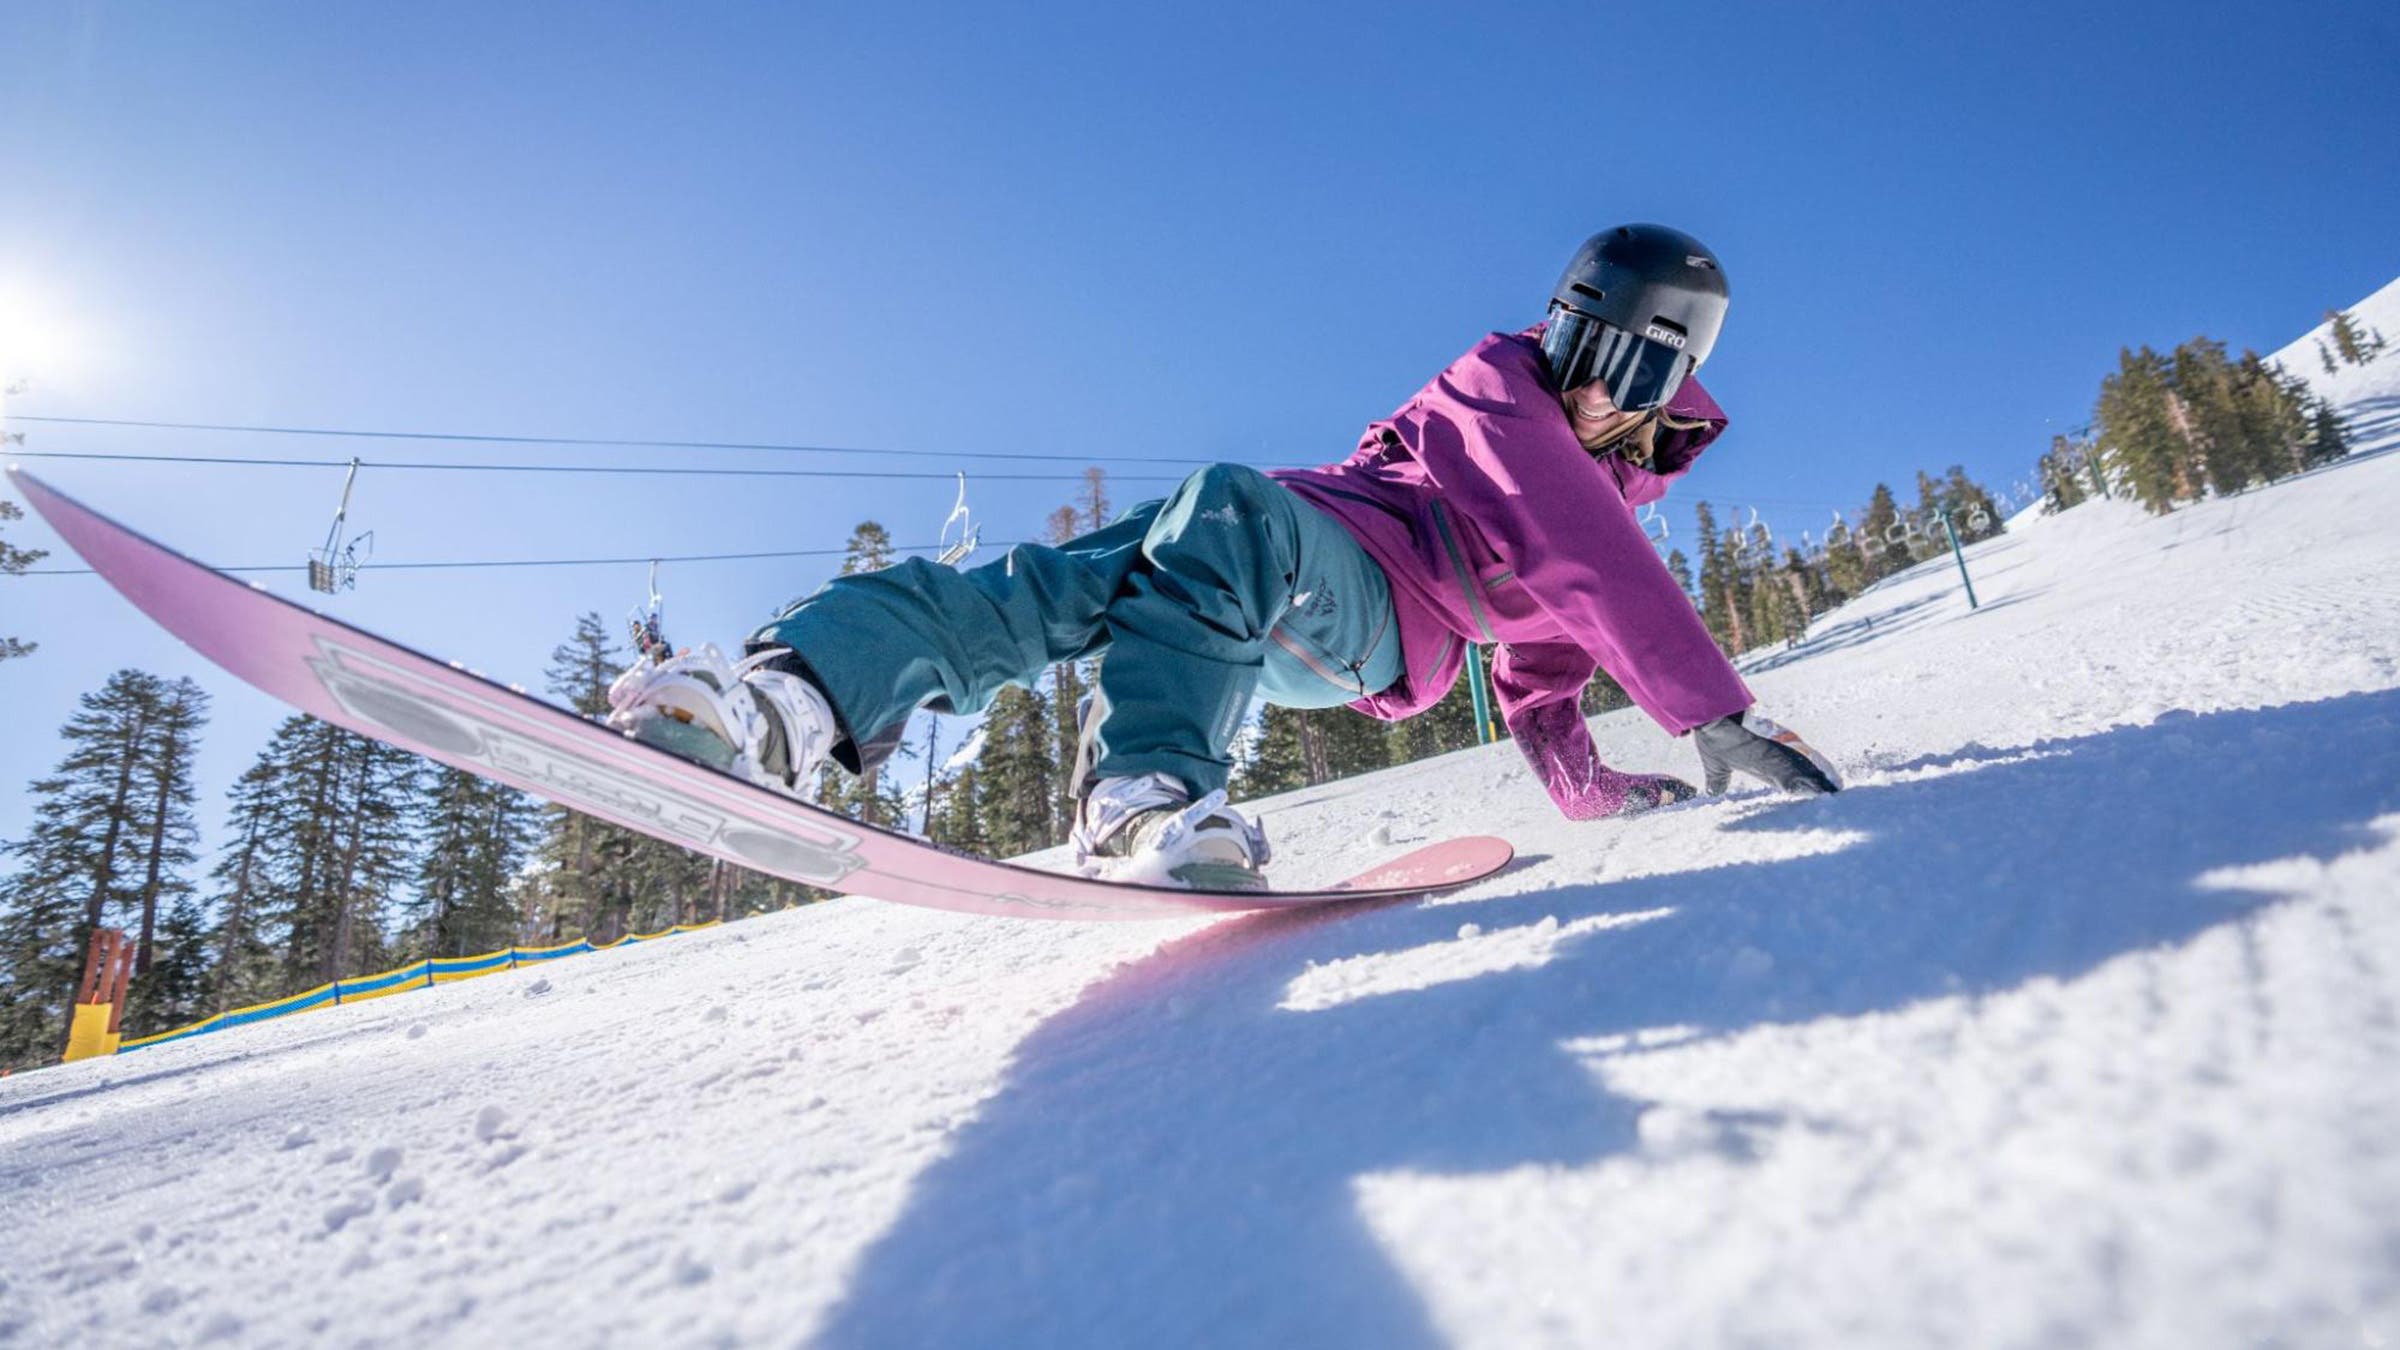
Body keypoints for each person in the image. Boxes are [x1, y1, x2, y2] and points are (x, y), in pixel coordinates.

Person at [605, 223, 1839, 892]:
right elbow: (1571, 536)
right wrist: (1708, 712)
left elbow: (1548, 669)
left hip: (1353, 618)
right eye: (1576, 347)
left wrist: (1608, 788)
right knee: (1051, 588)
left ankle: (1145, 792)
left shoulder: (1602, 523)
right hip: (1274, 553)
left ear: (1671, 383)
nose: (1585, 388)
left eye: (1623, 371)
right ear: (1552, 331)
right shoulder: (1495, 387)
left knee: (1224, 508)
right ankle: (791, 700)